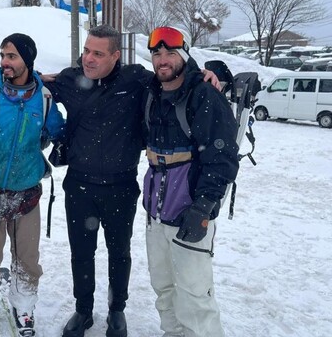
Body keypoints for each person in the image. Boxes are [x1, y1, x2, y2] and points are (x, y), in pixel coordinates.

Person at [42, 24, 219, 337]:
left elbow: (174, 75)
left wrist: (206, 72)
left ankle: (116, 310)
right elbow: (35, 84)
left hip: (121, 187)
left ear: (116, 56)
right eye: (86, 51)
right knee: (81, 253)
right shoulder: (71, 80)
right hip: (79, 185)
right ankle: (83, 310)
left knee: (119, 252)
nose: (89, 59)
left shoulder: (136, 80)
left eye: (98, 53)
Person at [0, 33, 65, 337]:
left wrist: (63, 146)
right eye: (3, 55)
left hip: (27, 193)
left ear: (27, 61)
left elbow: (58, 130)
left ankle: (24, 307)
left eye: (12, 56)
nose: (4, 62)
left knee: (28, 261)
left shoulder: (43, 99)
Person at [142, 26, 239, 337]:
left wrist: (204, 207)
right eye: (157, 54)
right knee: (164, 288)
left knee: (195, 295)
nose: (162, 60)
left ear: (184, 55)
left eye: (170, 53)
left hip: (190, 212)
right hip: (156, 215)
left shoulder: (203, 96)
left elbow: (222, 158)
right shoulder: (152, 92)